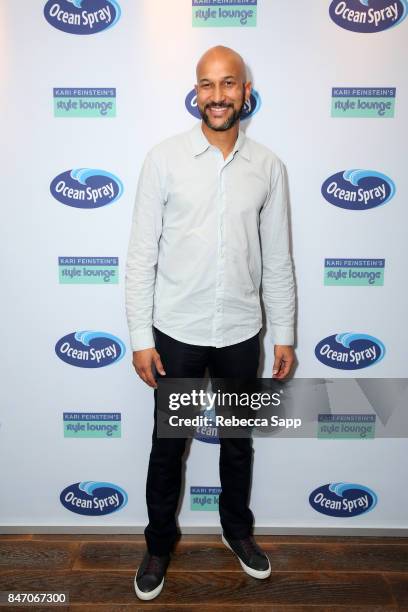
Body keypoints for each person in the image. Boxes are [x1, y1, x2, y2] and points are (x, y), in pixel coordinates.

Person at [125, 45, 296, 601]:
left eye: (228, 84)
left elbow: (277, 259)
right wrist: (139, 338)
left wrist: (286, 332)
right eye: (206, 84)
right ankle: (157, 543)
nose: (217, 96)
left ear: (245, 91)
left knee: (237, 443)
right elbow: (140, 258)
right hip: (175, 332)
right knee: (166, 445)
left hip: (242, 333)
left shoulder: (268, 167)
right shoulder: (163, 159)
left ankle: (237, 531)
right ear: (195, 92)